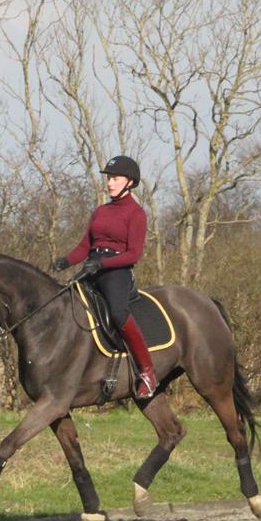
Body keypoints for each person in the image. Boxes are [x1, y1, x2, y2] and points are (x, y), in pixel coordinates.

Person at [52, 155, 158, 398]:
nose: (110, 183)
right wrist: (66, 260)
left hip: (116, 272)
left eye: (115, 178)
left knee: (119, 312)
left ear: (129, 182)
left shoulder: (136, 214)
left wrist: (103, 263)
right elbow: (84, 246)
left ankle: (147, 372)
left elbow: (133, 254)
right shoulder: (100, 211)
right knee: (65, 303)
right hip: (92, 267)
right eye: (109, 178)